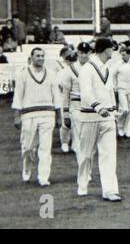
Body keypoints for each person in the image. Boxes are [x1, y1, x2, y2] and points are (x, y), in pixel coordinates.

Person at [78, 37, 121, 201]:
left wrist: (114, 110)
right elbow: (86, 92)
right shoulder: (87, 68)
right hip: (90, 116)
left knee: (109, 154)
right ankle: (82, 185)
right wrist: (98, 106)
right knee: (86, 154)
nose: (113, 51)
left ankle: (110, 190)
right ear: (105, 49)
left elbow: (110, 91)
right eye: (111, 48)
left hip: (108, 117)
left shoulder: (108, 69)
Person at [12, 47, 62, 186]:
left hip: (47, 113)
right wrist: (17, 115)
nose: (40, 58)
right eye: (37, 56)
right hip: (28, 114)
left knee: (45, 148)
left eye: (42, 56)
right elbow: (18, 96)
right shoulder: (23, 74)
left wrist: (59, 116)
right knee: (28, 147)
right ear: (31, 57)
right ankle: (27, 167)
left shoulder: (51, 74)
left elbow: (56, 96)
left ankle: (43, 177)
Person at [61, 42, 91, 168]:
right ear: (77, 53)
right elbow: (66, 93)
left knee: (89, 140)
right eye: (81, 52)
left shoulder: (94, 67)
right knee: (79, 138)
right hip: (76, 105)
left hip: (90, 106)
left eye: (86, 52)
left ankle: (87, 167)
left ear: (90, 53)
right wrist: (66, 113)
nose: (84, 55)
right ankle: (82, 168)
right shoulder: (70, 70)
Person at [113, 47, 130, 138]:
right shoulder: (118, 64)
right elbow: (113, 75)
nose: (122, 56)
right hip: (121, 88)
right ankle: (119, 127)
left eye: (124, 54)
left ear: (129, 54)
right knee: (124, 109)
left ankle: (127, 130)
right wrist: (115, 86)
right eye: (121, 54)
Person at [55, 46, 74, 153]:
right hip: (64, 98)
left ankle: (75, 142)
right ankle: (64, 143)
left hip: (77, 100)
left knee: (76, 123)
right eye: (69, 60)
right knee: (65, 122)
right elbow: (58, 86)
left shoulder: (81, 70)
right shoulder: (62, 72)